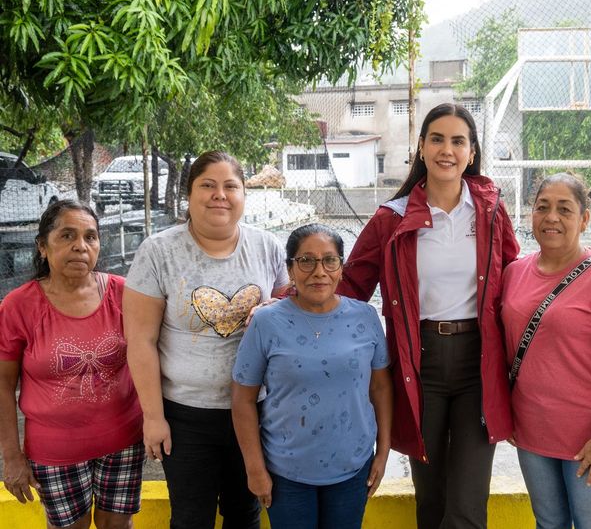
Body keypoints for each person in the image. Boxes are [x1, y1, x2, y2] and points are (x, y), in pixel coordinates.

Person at [338, 102, 519, 528]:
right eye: (437, 139)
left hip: (480, 361)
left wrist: (574, 265)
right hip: (419, 362)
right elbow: (349, 286)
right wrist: (288, 300)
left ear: (472, 152)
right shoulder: (392, 219)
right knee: (431, 498)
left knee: (468, 503)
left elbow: (519, 276)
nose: (447, 150)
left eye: (459, 141)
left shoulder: (491, 212)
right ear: (421, 147)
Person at [123, 150, 289, 529]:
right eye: (208, 185)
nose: (220, 195)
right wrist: (153, 418)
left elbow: (287, 317)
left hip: (254, 410)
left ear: (244, 195)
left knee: (245, 514)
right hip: (186, 416)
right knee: (190, 519)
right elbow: (141, 341)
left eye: (231, 186)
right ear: (189, 194)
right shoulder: (159, 251)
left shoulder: (267, 247)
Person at [501, 173, 591, 529]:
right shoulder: (514, 273)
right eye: (542, 207)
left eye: (565, 209)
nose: (551, 217)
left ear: (584, 219)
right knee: (548, 524)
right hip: (532, 433)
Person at [231, 223, 393, 529]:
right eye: (306, 260)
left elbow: (381, 388)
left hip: (353, 467)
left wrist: (382, 453)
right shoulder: (266, 322)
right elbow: (242, 398)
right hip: (285, 473)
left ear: (341, 269)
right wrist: (255, 468)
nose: (319, 271)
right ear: (290, 269)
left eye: (329, 260)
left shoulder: (366, 317)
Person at [0, 200, 144, 529]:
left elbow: (149, 354)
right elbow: (3, 385)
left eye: (90, 237)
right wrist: (11, 456)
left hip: (124, 440)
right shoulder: (18, 306)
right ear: (42, 247)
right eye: (67, 236)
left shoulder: (123, 294)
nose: (80, 246)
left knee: (118, 525)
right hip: (55, 450)